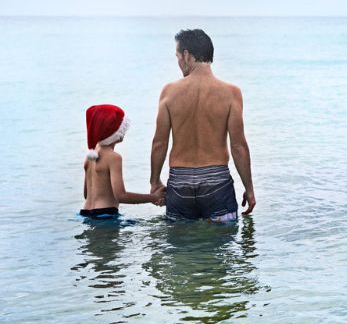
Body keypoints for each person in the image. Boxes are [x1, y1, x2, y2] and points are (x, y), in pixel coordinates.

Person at [150, 29, 256, 222]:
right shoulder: (231, 93)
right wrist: (249, 189)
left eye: (177, 56)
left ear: (187, 54)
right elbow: (238, 146)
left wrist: (154, 181)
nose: (178, 62)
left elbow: (159, 143)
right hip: (217, 183)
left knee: (179, 249)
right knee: (221, 248)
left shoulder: (169, 92)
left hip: (179, 183)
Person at [82, 104, 165, 219]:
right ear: (115, 132)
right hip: (105, 215)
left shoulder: (90, 156)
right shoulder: (114, 158)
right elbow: (121, 196)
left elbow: (86, 194)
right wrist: (153, 197)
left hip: (85, 213)